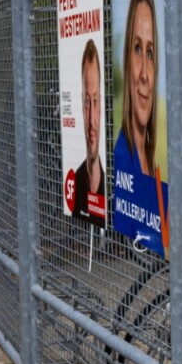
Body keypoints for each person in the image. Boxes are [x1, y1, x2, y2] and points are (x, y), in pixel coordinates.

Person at [114, 0, 158, 177]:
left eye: (150, 53)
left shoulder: (152, 158)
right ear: (126, 58)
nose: (144, 75)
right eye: (137, 49)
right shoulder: (121, 157)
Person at [71, 39, 105, 226]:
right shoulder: (74, 183)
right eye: (86, 102)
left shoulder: (110, 187)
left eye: (95, 101)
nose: (91, 120)